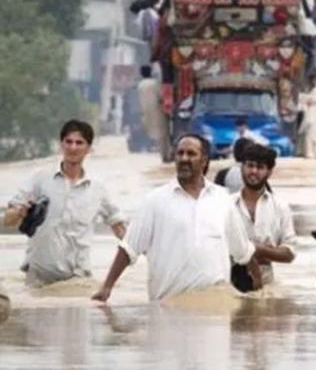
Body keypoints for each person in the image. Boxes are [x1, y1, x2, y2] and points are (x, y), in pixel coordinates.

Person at [92, 134, 262, 302]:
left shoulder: (222, 198)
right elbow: (129, 248)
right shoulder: (155, 201)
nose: (184, 158)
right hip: (168, 308)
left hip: (215, 311)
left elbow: (243, 251)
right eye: (180, 153)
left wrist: (260, 288)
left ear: (204, 161)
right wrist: (107, 287)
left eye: (191, 154)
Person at [3, 120, 126, 287]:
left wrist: (143, 254)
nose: (73, 147)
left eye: (79, 143)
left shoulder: (97, 189)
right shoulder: (40, 179)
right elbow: (7, 220)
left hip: (77, 283)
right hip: (38, 280)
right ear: (61, 145)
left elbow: (118, 227)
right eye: (68, 142)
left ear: (88, 149)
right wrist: (19, 213)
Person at [230, 143, 296, 291]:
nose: (253, 171)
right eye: (250, 165)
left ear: (269, 171)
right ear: (242, 167)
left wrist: (258, 250)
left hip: (265, 289)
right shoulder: (226, 205)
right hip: (228, 286)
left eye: (260, 167)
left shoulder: (280, 207)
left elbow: (289, 253)